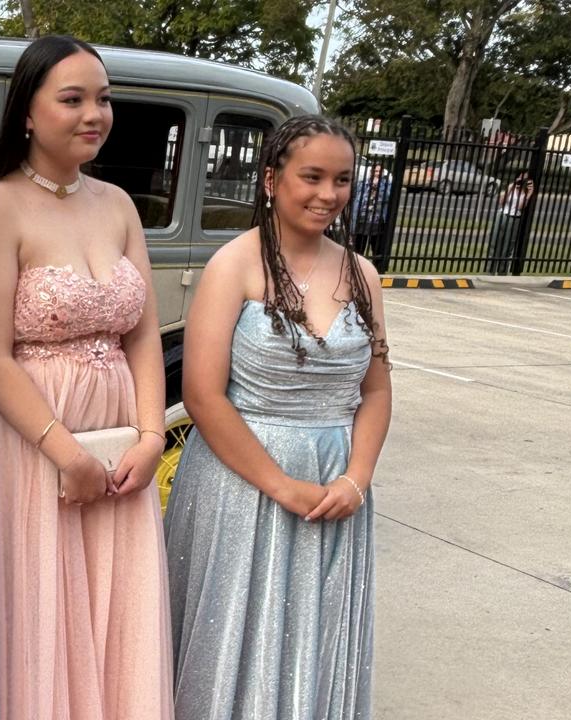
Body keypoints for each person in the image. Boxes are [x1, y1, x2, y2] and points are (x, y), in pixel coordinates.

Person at [0, 35, 174, 720]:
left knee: (112, 605)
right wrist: (64, 452)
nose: (93, 114)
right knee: (36, 606)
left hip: (117, 442)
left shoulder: (118, 205)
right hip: (28, 437)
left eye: (102, 99)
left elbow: (142, 334)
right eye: (72, 98)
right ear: (27, 111)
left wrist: (149, 435)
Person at [164, 115, 392, 720]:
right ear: (271, 179)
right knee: (235, 631)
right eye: (311, 176)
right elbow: (203, 395)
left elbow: (376, 390)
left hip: (336, 485)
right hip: (243, 483)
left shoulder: (361, 274)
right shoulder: (233, 265)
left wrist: (357, 478)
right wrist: (281, 485)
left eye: (342, 179)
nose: (328, 194)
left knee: (315, 634)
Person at [487, 170, 534, 274]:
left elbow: (519, 207)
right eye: (521, 178)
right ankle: (490, 270)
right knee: (494, 243)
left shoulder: (525, 192)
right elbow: (501, 202)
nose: (522, 181)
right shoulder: (511, 187)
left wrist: (529, 193)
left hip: (515, 219)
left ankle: (502, 271)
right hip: (502, 215)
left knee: (508, 247)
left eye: (525, 179)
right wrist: (510, 188)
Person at [351, 161, 391, 266]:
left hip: (377, 221)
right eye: (375, 171)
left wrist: (379, 187)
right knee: (359, 249)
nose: (377, 173)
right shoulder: (362, 183)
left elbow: (388, 197)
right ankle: (357, 268)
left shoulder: (387, 185)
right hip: (362, 220)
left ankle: (377, 270)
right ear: (371, 172)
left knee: (377, 249)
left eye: (379, 171)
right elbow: (354, 198)